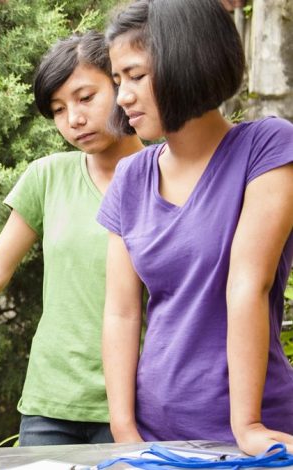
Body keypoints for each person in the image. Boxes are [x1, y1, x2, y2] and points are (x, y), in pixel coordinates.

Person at [99, 0, 293, 455]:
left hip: (252, 430)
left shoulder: (268, 146)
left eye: (136, 75)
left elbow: (248, 283)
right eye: (117, 80)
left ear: (186, 58)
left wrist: (247, 425)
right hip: (155, 432)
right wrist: (125, 432)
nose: (122, 96)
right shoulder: (131, 177)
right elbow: (121, 312)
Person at [0, 31, 143, 446]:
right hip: (50, 405)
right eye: (58, 109)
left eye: (85, 98)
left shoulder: (164, 176)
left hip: (137, 406)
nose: (74, 120)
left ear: (121, 83)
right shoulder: (47, 176)